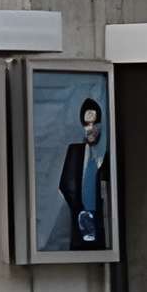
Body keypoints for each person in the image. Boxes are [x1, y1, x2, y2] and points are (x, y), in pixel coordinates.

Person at [56, 96, 111, 251]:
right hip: (80, 229)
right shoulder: (75, 152)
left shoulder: (107, 154)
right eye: (86, 124)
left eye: (94, 123)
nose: (90, 128)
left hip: (105, 230)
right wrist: (81, 212)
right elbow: (65, 185)